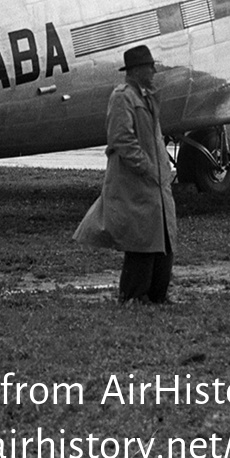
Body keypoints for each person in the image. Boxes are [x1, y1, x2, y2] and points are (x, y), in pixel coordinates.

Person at [73, 44, 178, 304]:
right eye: (148, 67)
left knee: (163, 239)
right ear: (136, 71)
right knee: (141, 242)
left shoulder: (146, 97)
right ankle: (133, 295)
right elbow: (122, 140)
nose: (154, 71)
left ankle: (157, 294)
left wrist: (163, 169)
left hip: (156, 185)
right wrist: (147, 167)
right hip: (137, 183)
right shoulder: (122, 97)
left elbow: (154, 135)